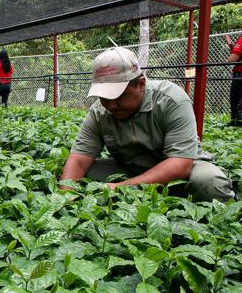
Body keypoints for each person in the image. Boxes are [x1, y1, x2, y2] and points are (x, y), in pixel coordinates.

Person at [59, 47, 234, 202]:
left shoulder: (171, 100)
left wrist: (121, 187)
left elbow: (180, 164)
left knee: (210, 183)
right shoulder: (99, 112)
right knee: (81, 175)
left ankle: (174, 196)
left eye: (118, 97)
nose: (111, 105)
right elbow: (79, 160)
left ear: (141, 84)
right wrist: (65, 199)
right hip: (131, 169)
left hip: (182, 169)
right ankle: (155, 193)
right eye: (104, 98)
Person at [226, 35, 242, 126]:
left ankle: (236, 125)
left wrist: (228, 59)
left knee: (236, 103)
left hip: (239, 74)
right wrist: (232, 47)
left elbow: (232, 59)